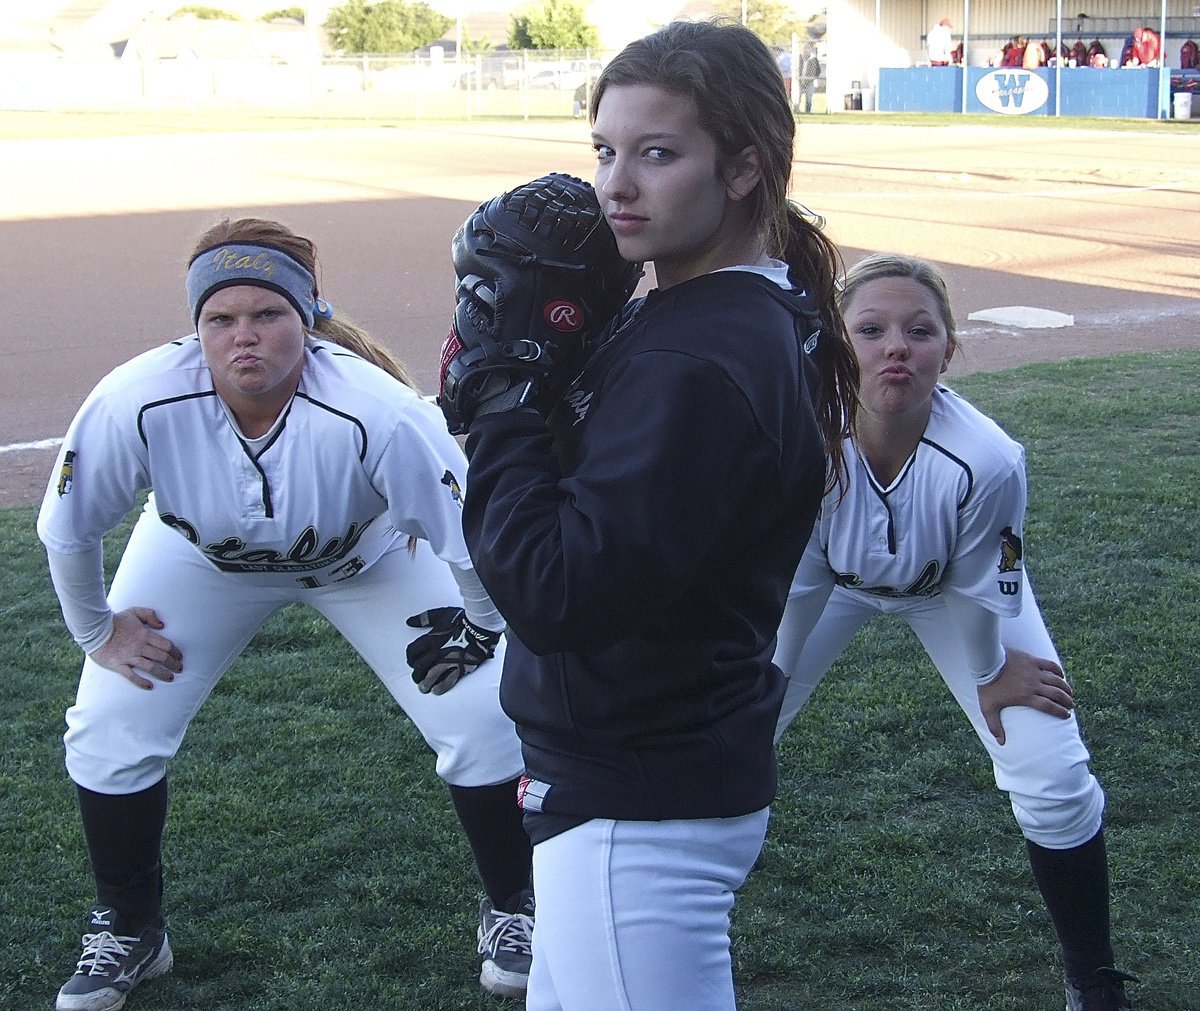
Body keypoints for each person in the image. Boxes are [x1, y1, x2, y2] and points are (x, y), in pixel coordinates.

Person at [453, 18, 859, 1011]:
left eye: (658, 153)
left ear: (743, 171)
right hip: (640, 769)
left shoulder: (698, 354)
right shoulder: (698, 315)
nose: (615, 185)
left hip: (642, 797)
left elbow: (556, 590)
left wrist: (506, 408)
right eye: (605, 151)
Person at [37, 218, 535, 1011]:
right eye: (220, 319)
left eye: (267, 315)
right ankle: (132, 927)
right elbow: (67, 527)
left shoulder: (380, 409)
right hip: (197, 559)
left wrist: (479, 629)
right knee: (108, 726)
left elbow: (472, 540)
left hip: (366, 562)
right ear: (194, 326)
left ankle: (515, 907)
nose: (245, 336)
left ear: (306, 318)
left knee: (484, 716)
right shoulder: (136, 398)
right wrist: (99, 632)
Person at [772, 252, 1139, 1011]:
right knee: (724, 734)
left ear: (950, 349)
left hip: (953, 594)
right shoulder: (802, 430)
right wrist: (767, 675)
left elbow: (983, 584)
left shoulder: (990, 458)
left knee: (1055, 774)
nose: (895, 346)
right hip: (829, 584)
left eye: (920, 330)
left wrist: (991, 671)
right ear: (839, 346)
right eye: (870, 329)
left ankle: (1092, 977)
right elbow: (801, 576)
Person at [798, 43, 821, 114]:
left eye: (807, 48)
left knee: (809, 97)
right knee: (798, 96)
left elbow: (818, 70)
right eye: (804, 48)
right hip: (800, 80)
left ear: (810, 50)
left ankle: (808, 111)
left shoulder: (813, 59)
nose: (806, 50)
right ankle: (797, 109)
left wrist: (813, 78)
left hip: (810, 81)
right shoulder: (800, 58)